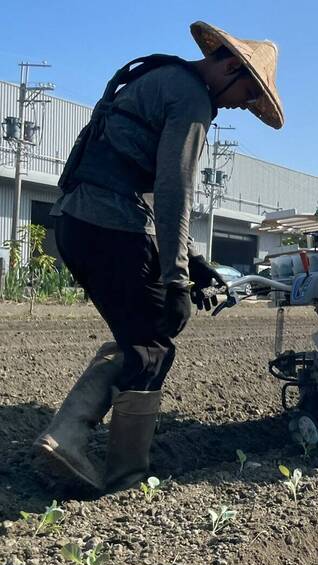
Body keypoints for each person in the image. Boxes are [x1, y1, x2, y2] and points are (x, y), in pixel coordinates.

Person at [32, 21, 284, 493]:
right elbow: (173, 190)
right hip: (110, 224)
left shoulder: (156, 78)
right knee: (154, 346)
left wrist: (192, 257)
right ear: (230, 67)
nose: (239, 106)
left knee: (139, 336)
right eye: (244, 95)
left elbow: (134, 175)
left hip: (75, 222)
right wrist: (176, 278)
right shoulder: (191, 98)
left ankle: (68, 434)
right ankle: (122, 475)